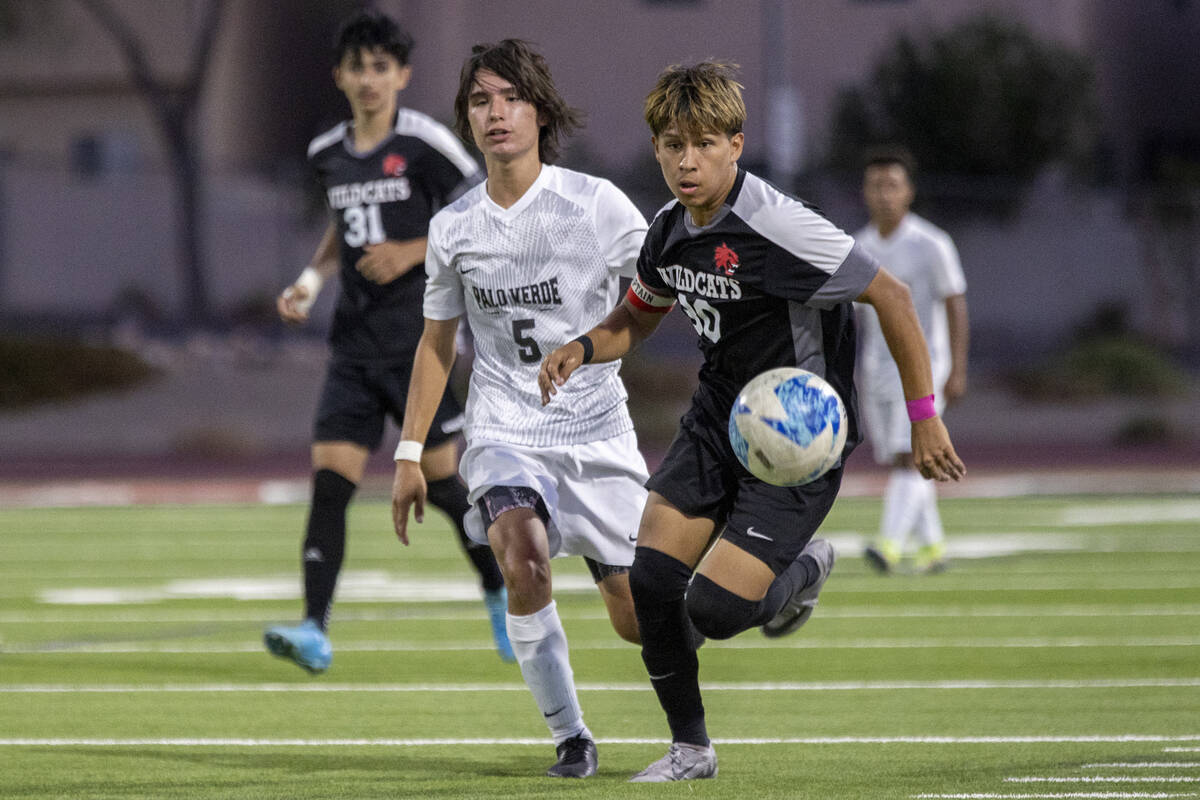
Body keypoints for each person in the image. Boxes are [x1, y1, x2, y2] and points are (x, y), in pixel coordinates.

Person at [538, 62, 966, 782]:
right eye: (672, 144)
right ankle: (691, 750)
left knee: (713, 610)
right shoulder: (670, 232)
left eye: (702, 143)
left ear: (735, 145)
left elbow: (891, 297)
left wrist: (925, 418)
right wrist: (583, 348)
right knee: (649, 584)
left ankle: (802, 568)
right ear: (656, 149)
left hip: (797, 439)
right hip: (716, 421)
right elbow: (637, 317)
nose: (686, 160)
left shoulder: (780, 227)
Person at [390, 40, 649, 779]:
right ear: (467, 119)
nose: (495, 112)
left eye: (509, 97)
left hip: (598, 433)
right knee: (522, 552)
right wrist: (410, 454)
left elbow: (658, 292)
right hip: (504, 429)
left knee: (640, 619)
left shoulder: (597, 205)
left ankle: (764, 595)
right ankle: (571, 737)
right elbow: (437, 345)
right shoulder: (454, 226)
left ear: (540, 110)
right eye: (479, 100)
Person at [263, 10, 512, 674]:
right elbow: (339, 232)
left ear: (401, 74)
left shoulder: (425, 142)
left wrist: (412, 248)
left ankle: (499, 596)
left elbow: (486, 208)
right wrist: (309, 285)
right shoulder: (327, 154)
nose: (370, 79)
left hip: (417, 345)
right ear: (339, 76)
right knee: (329, 487)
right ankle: (315, 630)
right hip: (353, 349)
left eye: (382, 67)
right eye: (358, 67)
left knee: (447, 486)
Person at [856, 146, 969, 575]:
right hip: (877, 371)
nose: (884, 194)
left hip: (926, 366)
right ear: (865, 192)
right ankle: (934, 548)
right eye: (876, 185)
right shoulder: (857, 247)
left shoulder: (932, 244)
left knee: (911, 455)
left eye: (893, 185)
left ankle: (888, 545)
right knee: (905, 458)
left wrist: (957, 368)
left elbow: (955, 304)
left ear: (909, 192)